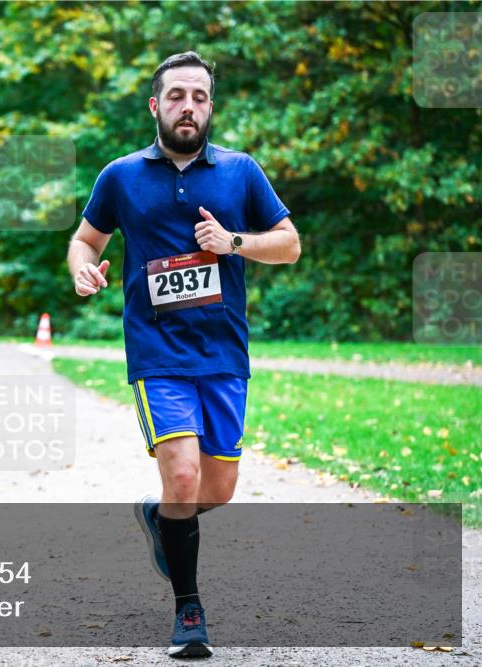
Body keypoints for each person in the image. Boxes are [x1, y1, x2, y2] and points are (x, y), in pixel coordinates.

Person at [67, 51, 300, 659]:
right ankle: (188, 612)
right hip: (157, 353)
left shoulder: (240, 172)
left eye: (199, 96)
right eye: (176, 96)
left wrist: (234, 242)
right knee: (183, 474)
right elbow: (84, 240)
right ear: (156, 105)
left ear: (210, 106)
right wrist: (82, 270)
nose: (188, 106)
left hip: (223, 354)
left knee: (215, 490)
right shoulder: (120, 175)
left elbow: (290, 245)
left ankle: (160, 517)